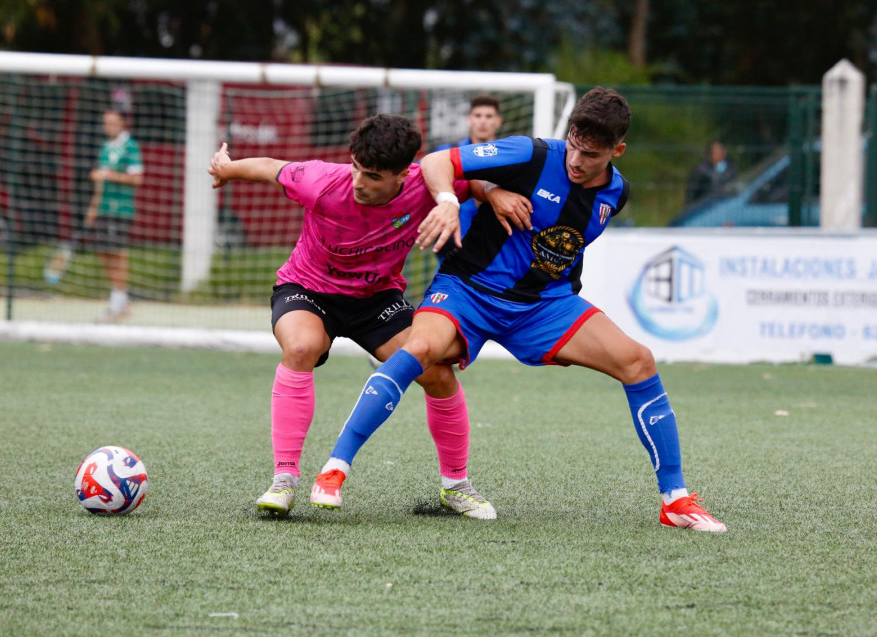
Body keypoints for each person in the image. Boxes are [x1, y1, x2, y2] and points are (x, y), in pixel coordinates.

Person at [311, 88, 727, 532]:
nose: (576, 160)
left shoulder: (615, 195)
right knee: (418, 350)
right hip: (468, 289)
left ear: (616, 151)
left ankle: (675, 501)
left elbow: (560, 249)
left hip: (543, 305)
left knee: (638, 361)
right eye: (573, 144)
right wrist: (474, 197)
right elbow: (436, 162)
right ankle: (335, 469)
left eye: (590, 154)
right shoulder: (529, 153)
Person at [207, 114, 526, 519]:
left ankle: (456, 485)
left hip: (376, 300)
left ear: (402, 175)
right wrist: (227, 168)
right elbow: (272, 168)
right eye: (357, 168)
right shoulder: (321, 181)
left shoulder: (423, 186)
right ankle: (284, 479)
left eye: (373, 176)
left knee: (438, 371)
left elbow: (469, 180)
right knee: (302, 346)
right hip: (307, 289)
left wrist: (494, 193)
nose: (359, 181)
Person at [84, 108, 144, 322]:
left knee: (118, 252)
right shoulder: (105, 148)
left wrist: (111, 175)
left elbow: (137, 178)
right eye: (105, 123)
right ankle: (121, 296)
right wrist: (93, 208)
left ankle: (118, 299)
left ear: (121, 124)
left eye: (112, 122)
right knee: (103, 251)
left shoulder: (130, 146)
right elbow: (100, 182)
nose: (107, 126)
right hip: (104, 208)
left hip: (121, 208)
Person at [433, 94, 503, 263]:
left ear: (498, 121)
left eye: (488, 116)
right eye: (478, 116)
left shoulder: (510, 157)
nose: (483, 121)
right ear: (469, 119)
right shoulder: (446, 153)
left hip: (495, 249)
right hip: (452, 247)